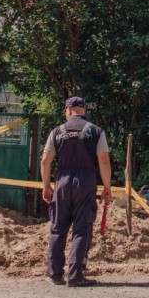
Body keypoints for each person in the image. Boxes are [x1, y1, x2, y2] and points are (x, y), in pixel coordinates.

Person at [41, 96, 112, 287]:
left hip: (62, 182)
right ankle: (75, 275)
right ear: (83, 110)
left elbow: (45, 161)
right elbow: (103, 161)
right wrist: (107, 188)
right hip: (85, 182)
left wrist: (46, 186)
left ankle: (55, 274)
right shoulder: (96, 131)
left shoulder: (57, 132)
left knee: (58, 228)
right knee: (82, 228)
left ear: (68, 110)